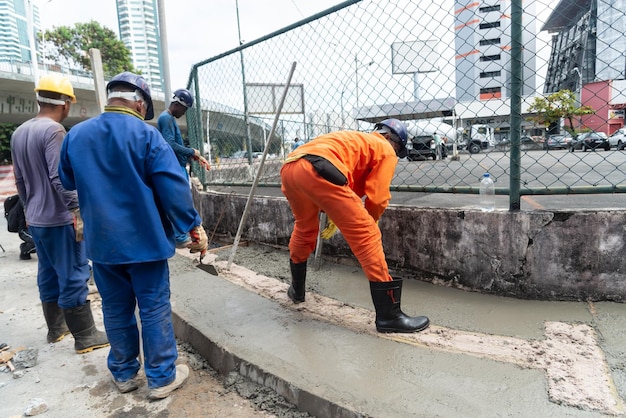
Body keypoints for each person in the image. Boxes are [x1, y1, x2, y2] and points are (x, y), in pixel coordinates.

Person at [58, 72, 209, 400]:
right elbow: (173, 189)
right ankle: (160, 378)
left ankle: (124, 374)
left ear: (111, 98)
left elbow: (66, 180)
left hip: (102, 245)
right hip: (145, 243)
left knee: (115, 309)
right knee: (153, 308)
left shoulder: (76, 135)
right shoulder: (148, 136)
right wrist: (191, 226)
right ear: (140, 104)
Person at [280, 118, 429, 334]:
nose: (396, 154)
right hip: (320, 168)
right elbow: (377, 197)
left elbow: (352, 184)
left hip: (291, 167)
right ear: (390, 138)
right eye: (398, 149)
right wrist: (371, 220)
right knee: (367, 234)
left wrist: (338, 211)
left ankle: (297, 290)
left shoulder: (357, 140)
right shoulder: (385, 149)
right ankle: (389, 316)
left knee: (305, 228)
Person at [10, 74, 109, 352]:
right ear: (65, 104)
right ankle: (86, 336)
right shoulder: (54, 132)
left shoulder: (20, 132)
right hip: (59, 219)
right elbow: (59, 179)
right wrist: (77, 210)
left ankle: (57, 329)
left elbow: (20, 180)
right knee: (75, 273)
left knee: (48, 272)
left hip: (37, 219)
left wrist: (30, 208)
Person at [157, 88, 210, 248]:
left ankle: (181, 234)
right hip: (174, 166)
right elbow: (170, 145)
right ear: (178, 104)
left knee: (181, 199)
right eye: (184, 109)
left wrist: (192, 155)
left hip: (178, 165)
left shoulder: (169, 118)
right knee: (180, 200)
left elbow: (175, 144)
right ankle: (180, 237)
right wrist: (191, 151)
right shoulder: (166, 119)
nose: (184, 113)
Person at [3, 194, 36, 260]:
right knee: (38, 242)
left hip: (37, 227)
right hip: (24, 229)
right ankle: (25, 250)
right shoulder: (24, 198)